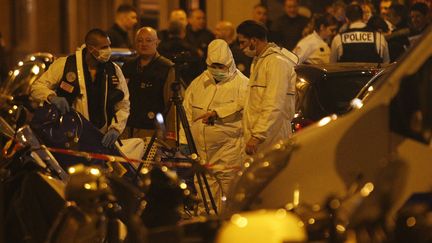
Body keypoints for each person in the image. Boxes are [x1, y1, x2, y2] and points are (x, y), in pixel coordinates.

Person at [30, 28, 130, 148]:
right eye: (103, 47)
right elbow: (37, 87)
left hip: (101, 138)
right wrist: (51, 97)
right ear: (91, 48)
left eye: (108, 46)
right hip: (70, 136)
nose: (108, 51)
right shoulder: (66, 65)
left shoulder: (113, 70)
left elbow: (123, 104)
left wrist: (116, 129)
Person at [183, 39, 249, 211]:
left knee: (230, 194)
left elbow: (244, 105)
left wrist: (218, 113)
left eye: (222, 67)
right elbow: (186, 111)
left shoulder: (243, 84)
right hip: (202, 151)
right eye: (214, 66)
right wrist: (184, 140)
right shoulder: (198, 84)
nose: (218, 71)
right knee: (204, 192)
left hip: (229, 151)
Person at [237, 20, 298, 155]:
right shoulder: (260, 61)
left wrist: (258, 135)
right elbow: (251, 99)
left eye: (243, 42)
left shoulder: (276, 63)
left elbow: (274, 102)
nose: (240, 47)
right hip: (262, 135)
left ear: (253, 40)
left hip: (273, 135)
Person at [121, 27, 177, 141]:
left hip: (153, 131)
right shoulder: (128, 66)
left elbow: (171, 106)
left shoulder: (166, 68)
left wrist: (171, 136)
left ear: (157, 42)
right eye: (140, 40)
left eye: (148, 40)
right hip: (127, 128)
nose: (144, 44)